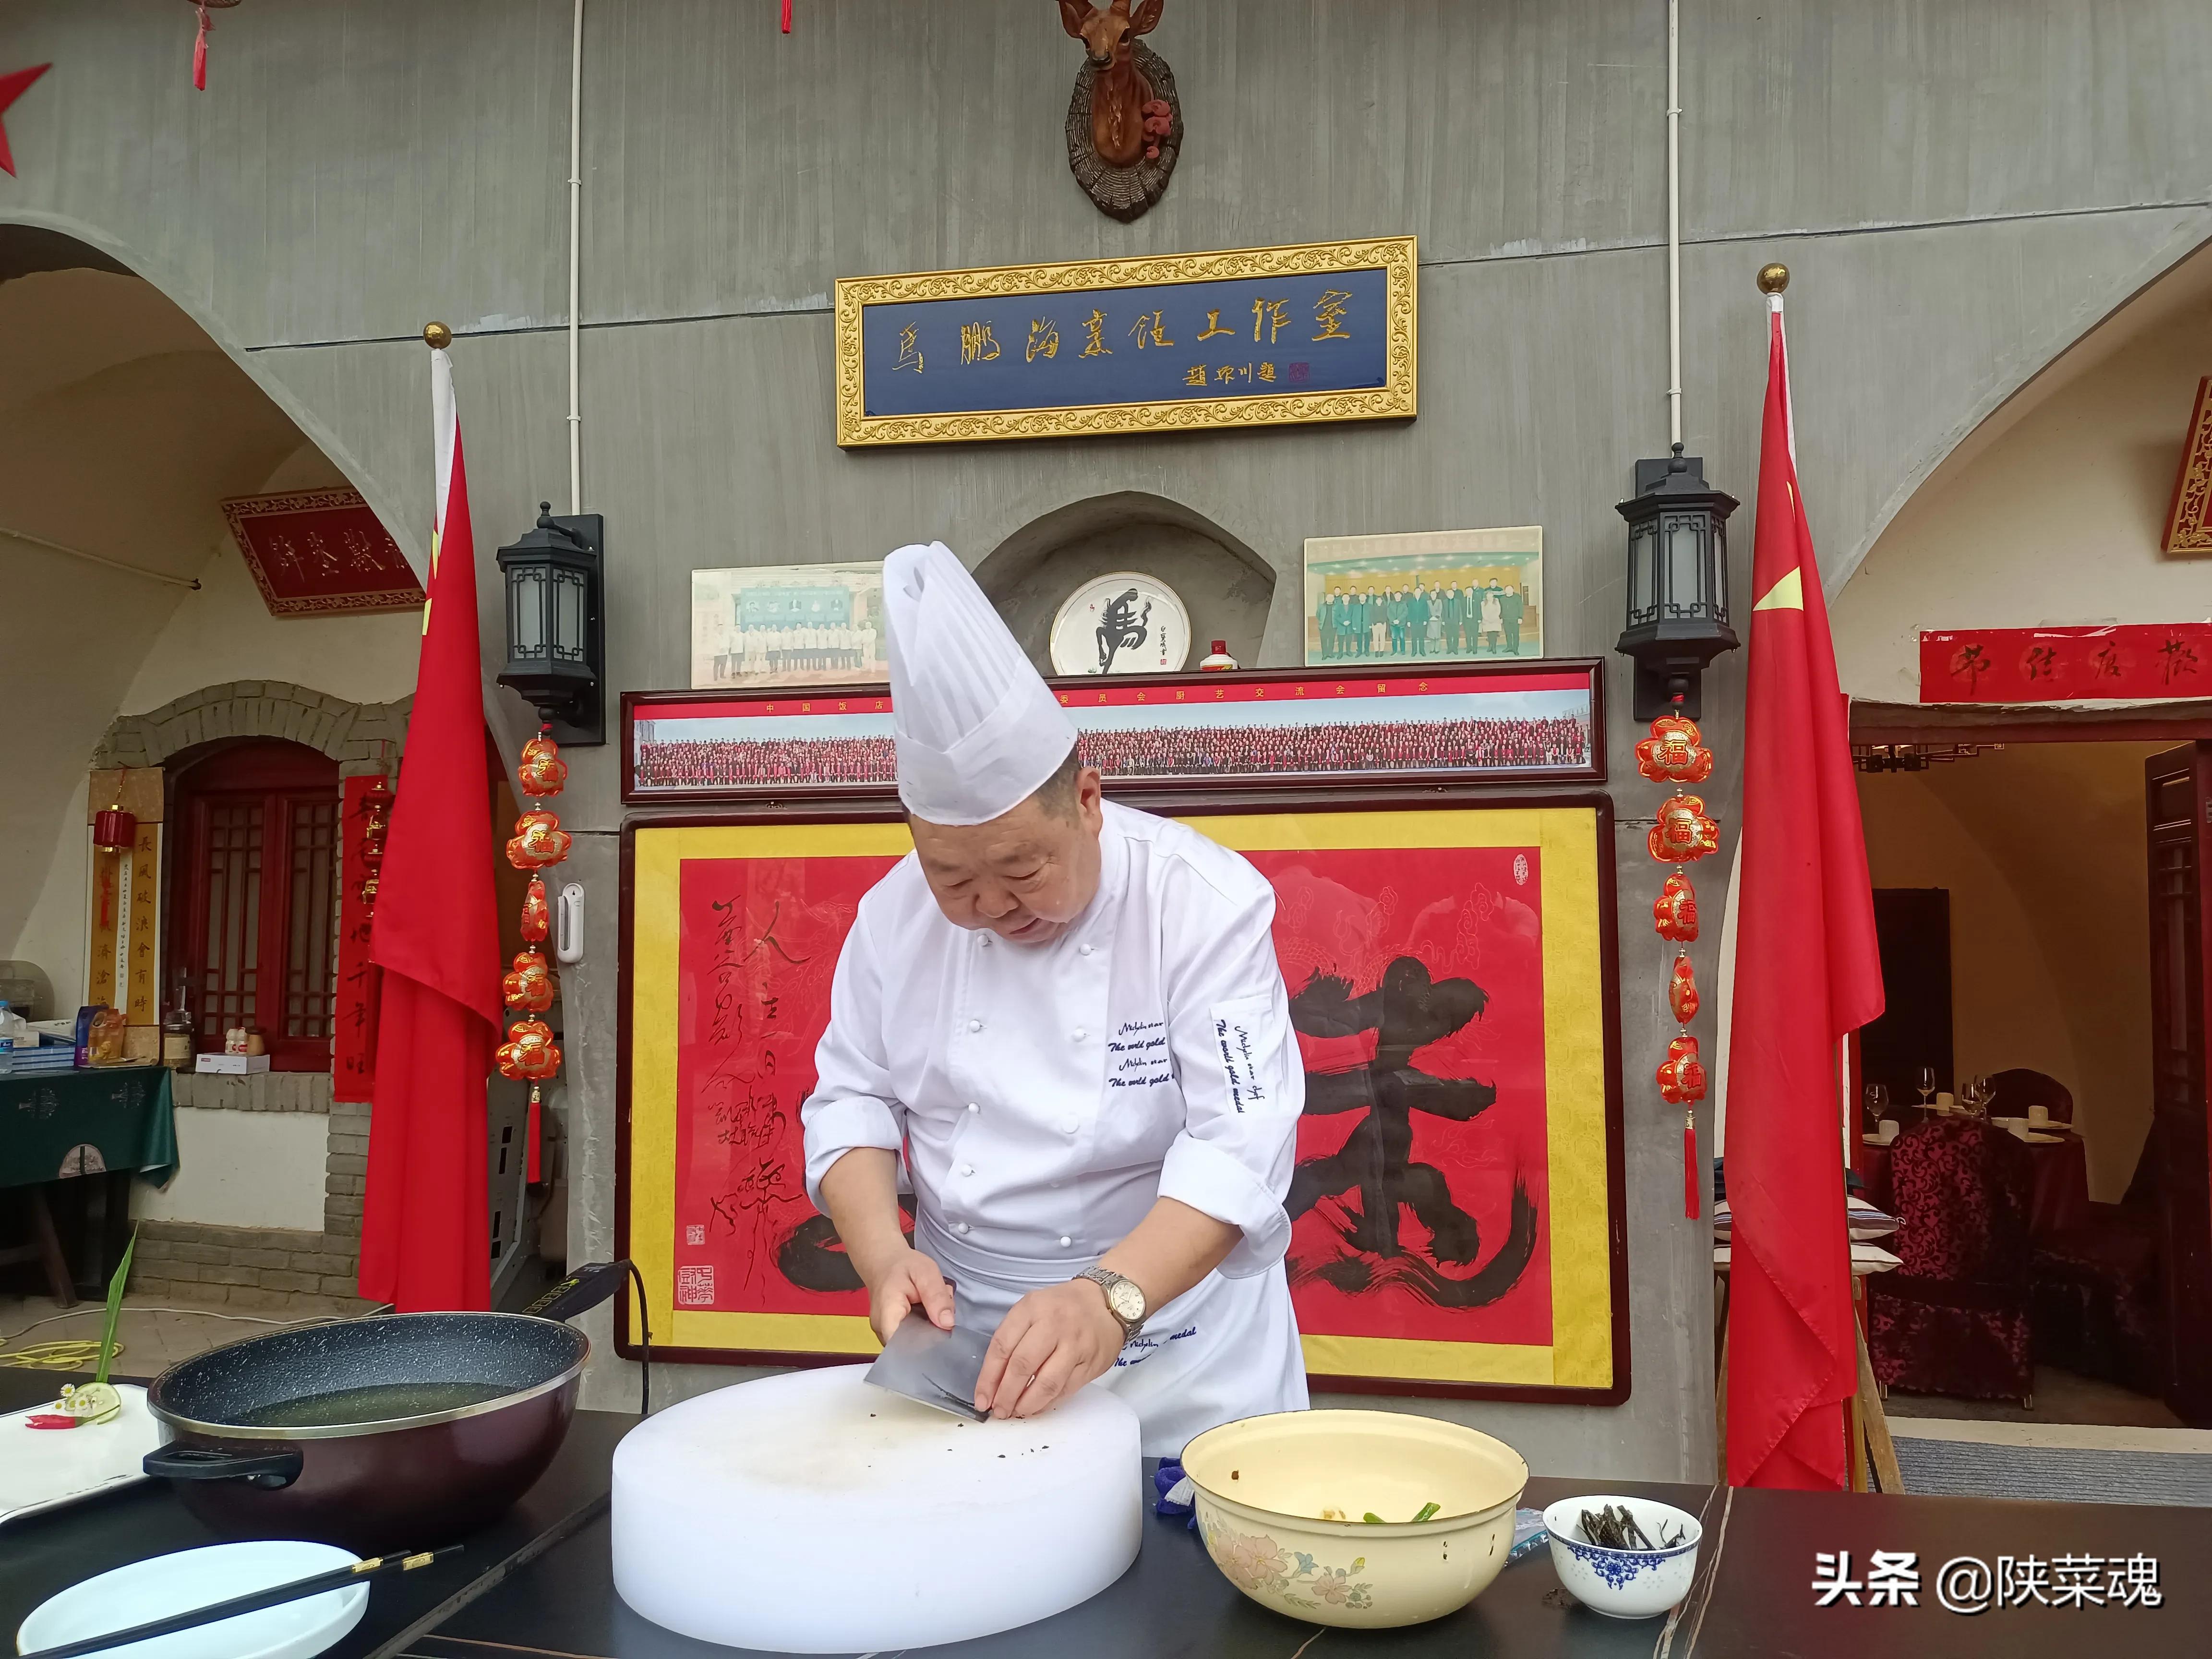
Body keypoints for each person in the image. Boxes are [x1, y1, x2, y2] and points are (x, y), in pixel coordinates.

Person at [802, 541, 1309, 1456]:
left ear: (1087, 800)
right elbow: (851, 1100)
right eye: (952, 876)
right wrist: (884, 1257)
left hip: (1180, 1350)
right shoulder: (891, 918)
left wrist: (1107, 1299)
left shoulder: (1201, 902)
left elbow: (1240, 1148)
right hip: (973, 1352)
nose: (990, 905)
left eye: (1019, 868)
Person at [1499, 581, 1526, 656]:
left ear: (1513, 590)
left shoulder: (1517, 597)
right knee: (1508, 635)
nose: (1509, 591)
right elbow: (1500, 609)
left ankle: (1515, 649)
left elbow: (1521, 608)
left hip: (1515, 619)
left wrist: (1520, 617)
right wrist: (1501, 618)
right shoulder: (1502, 598)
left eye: (1510, 589)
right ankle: (1509, 647)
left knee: (1516, 635)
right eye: (1507, 589)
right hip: (1506, 619)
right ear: (1505, 591)